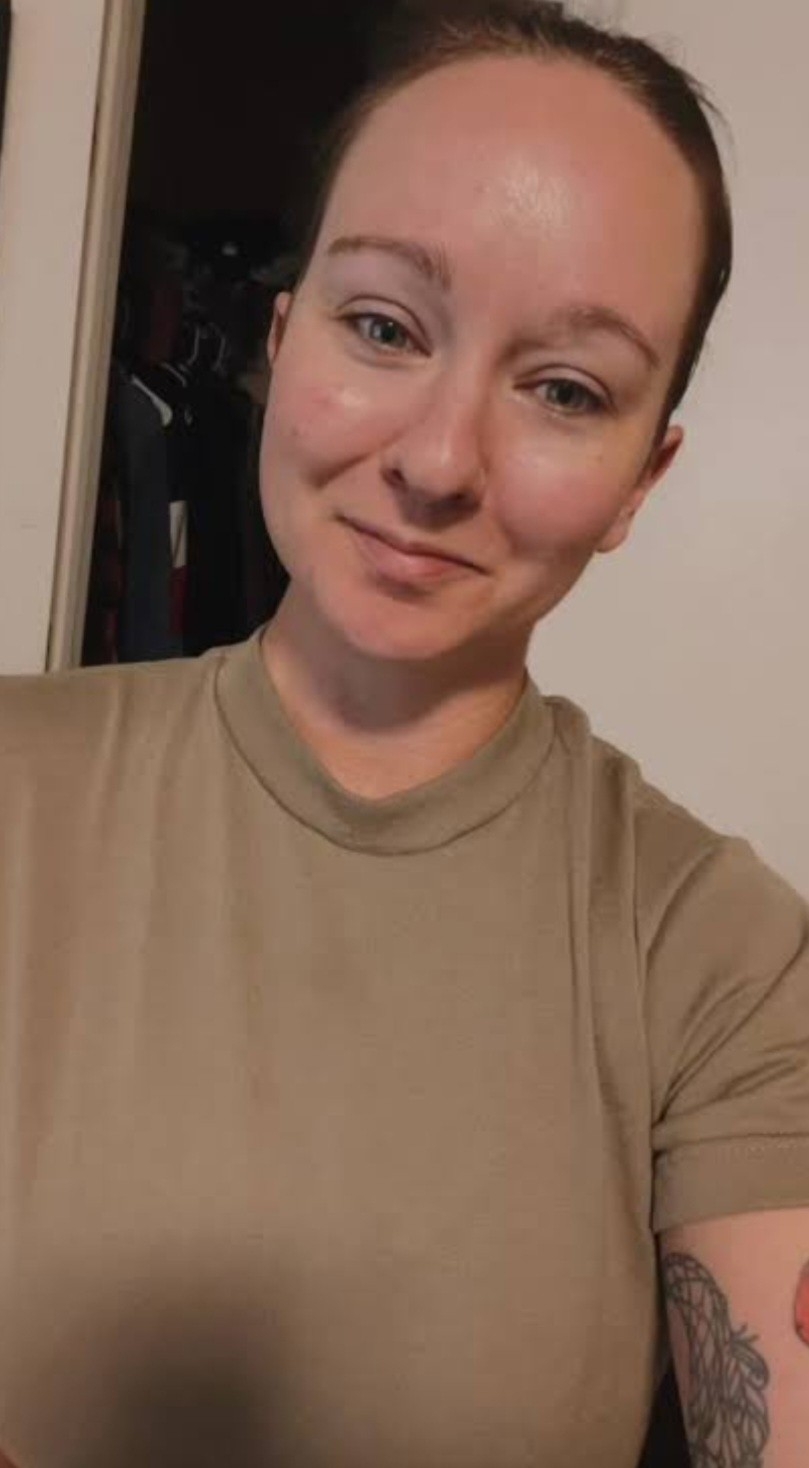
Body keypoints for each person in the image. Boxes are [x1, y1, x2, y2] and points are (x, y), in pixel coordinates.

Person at [0, 3, 807, 1465]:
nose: (437, 461)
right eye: (382, 326)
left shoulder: (717, 955)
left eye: (565, 390)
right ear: (279, 336)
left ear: (642, 479)